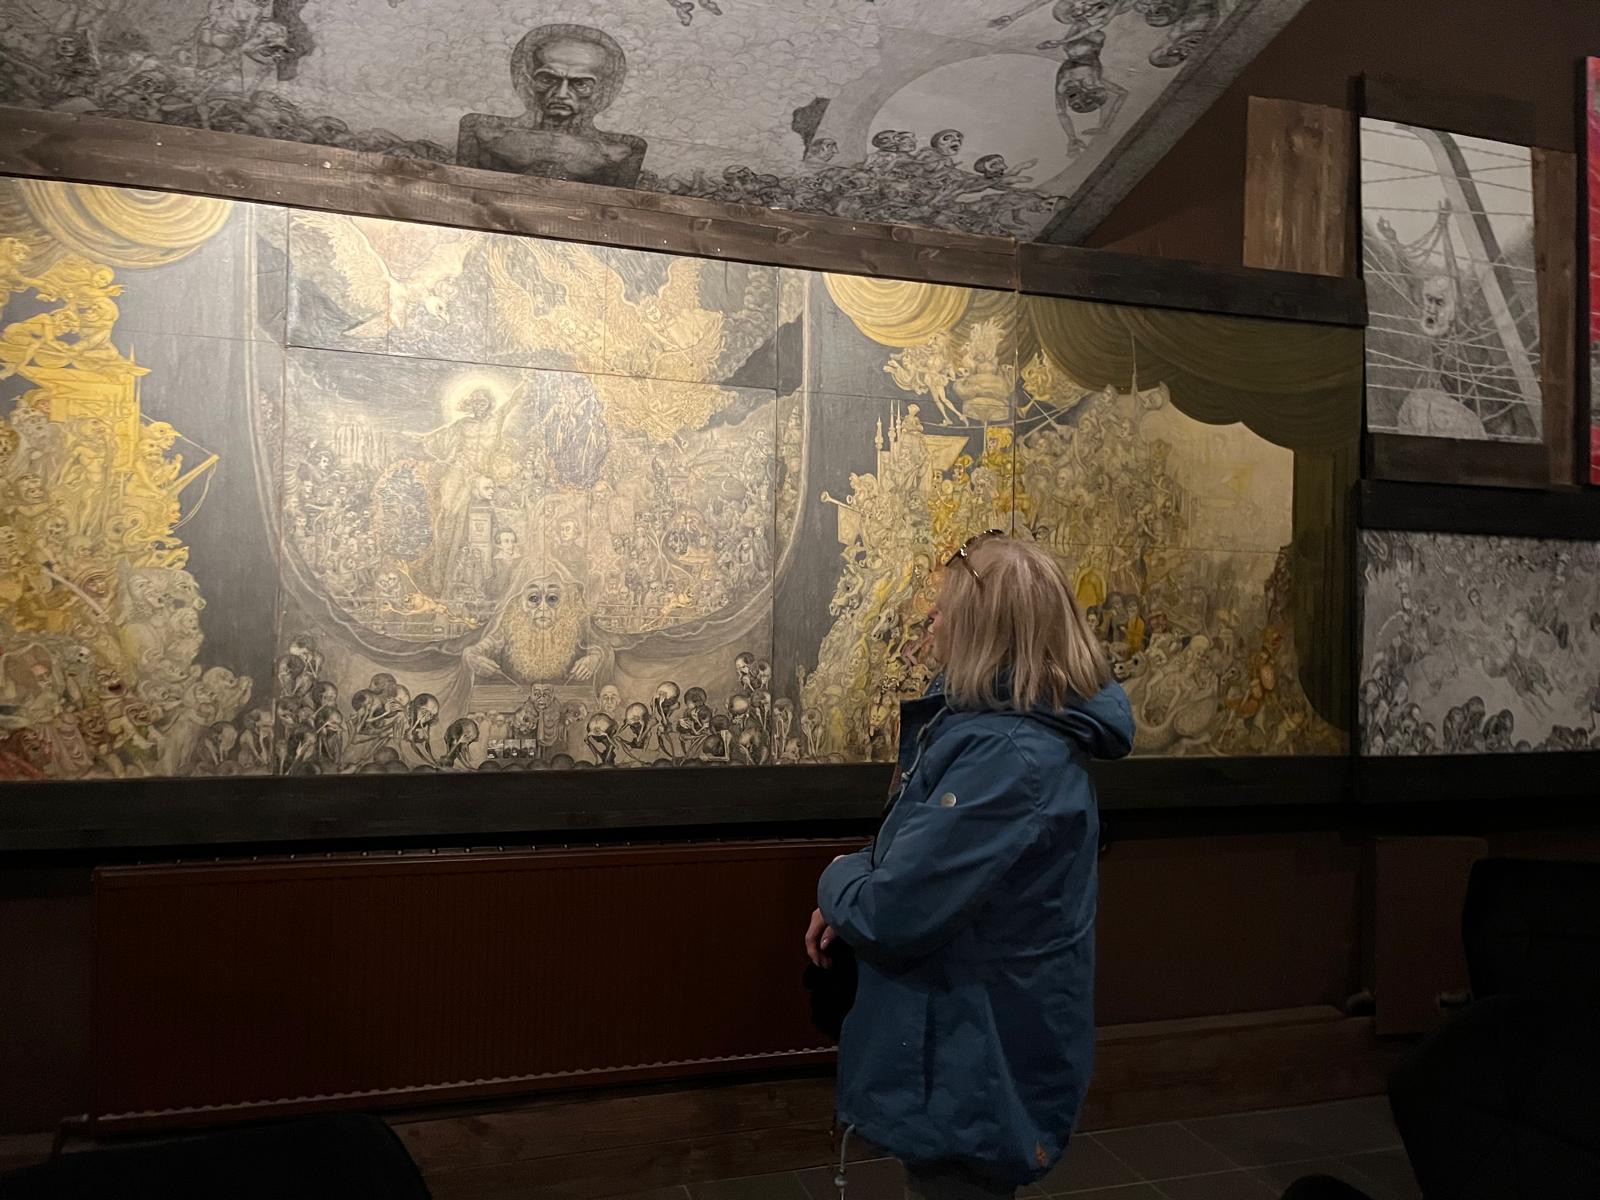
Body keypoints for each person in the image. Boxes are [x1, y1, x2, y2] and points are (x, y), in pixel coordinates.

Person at [805, 531, 1134, 1199]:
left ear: (987, 628)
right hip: (964, 1035)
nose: (931, 619)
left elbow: (892, 911)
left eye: (946, 607)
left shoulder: (1007, 758)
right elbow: (923, 853)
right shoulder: (991, 734)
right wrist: (867, 877)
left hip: (971, 1055)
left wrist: (837, 876)